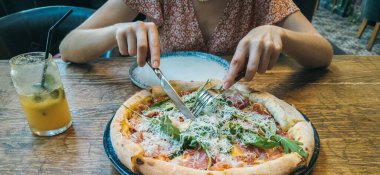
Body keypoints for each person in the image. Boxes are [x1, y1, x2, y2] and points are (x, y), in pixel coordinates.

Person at [59, 0, 333, 89]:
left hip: (236, 107)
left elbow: (323, 52)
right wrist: (117, 30)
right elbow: (70, 46)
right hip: (157, 104)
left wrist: (282, 36)